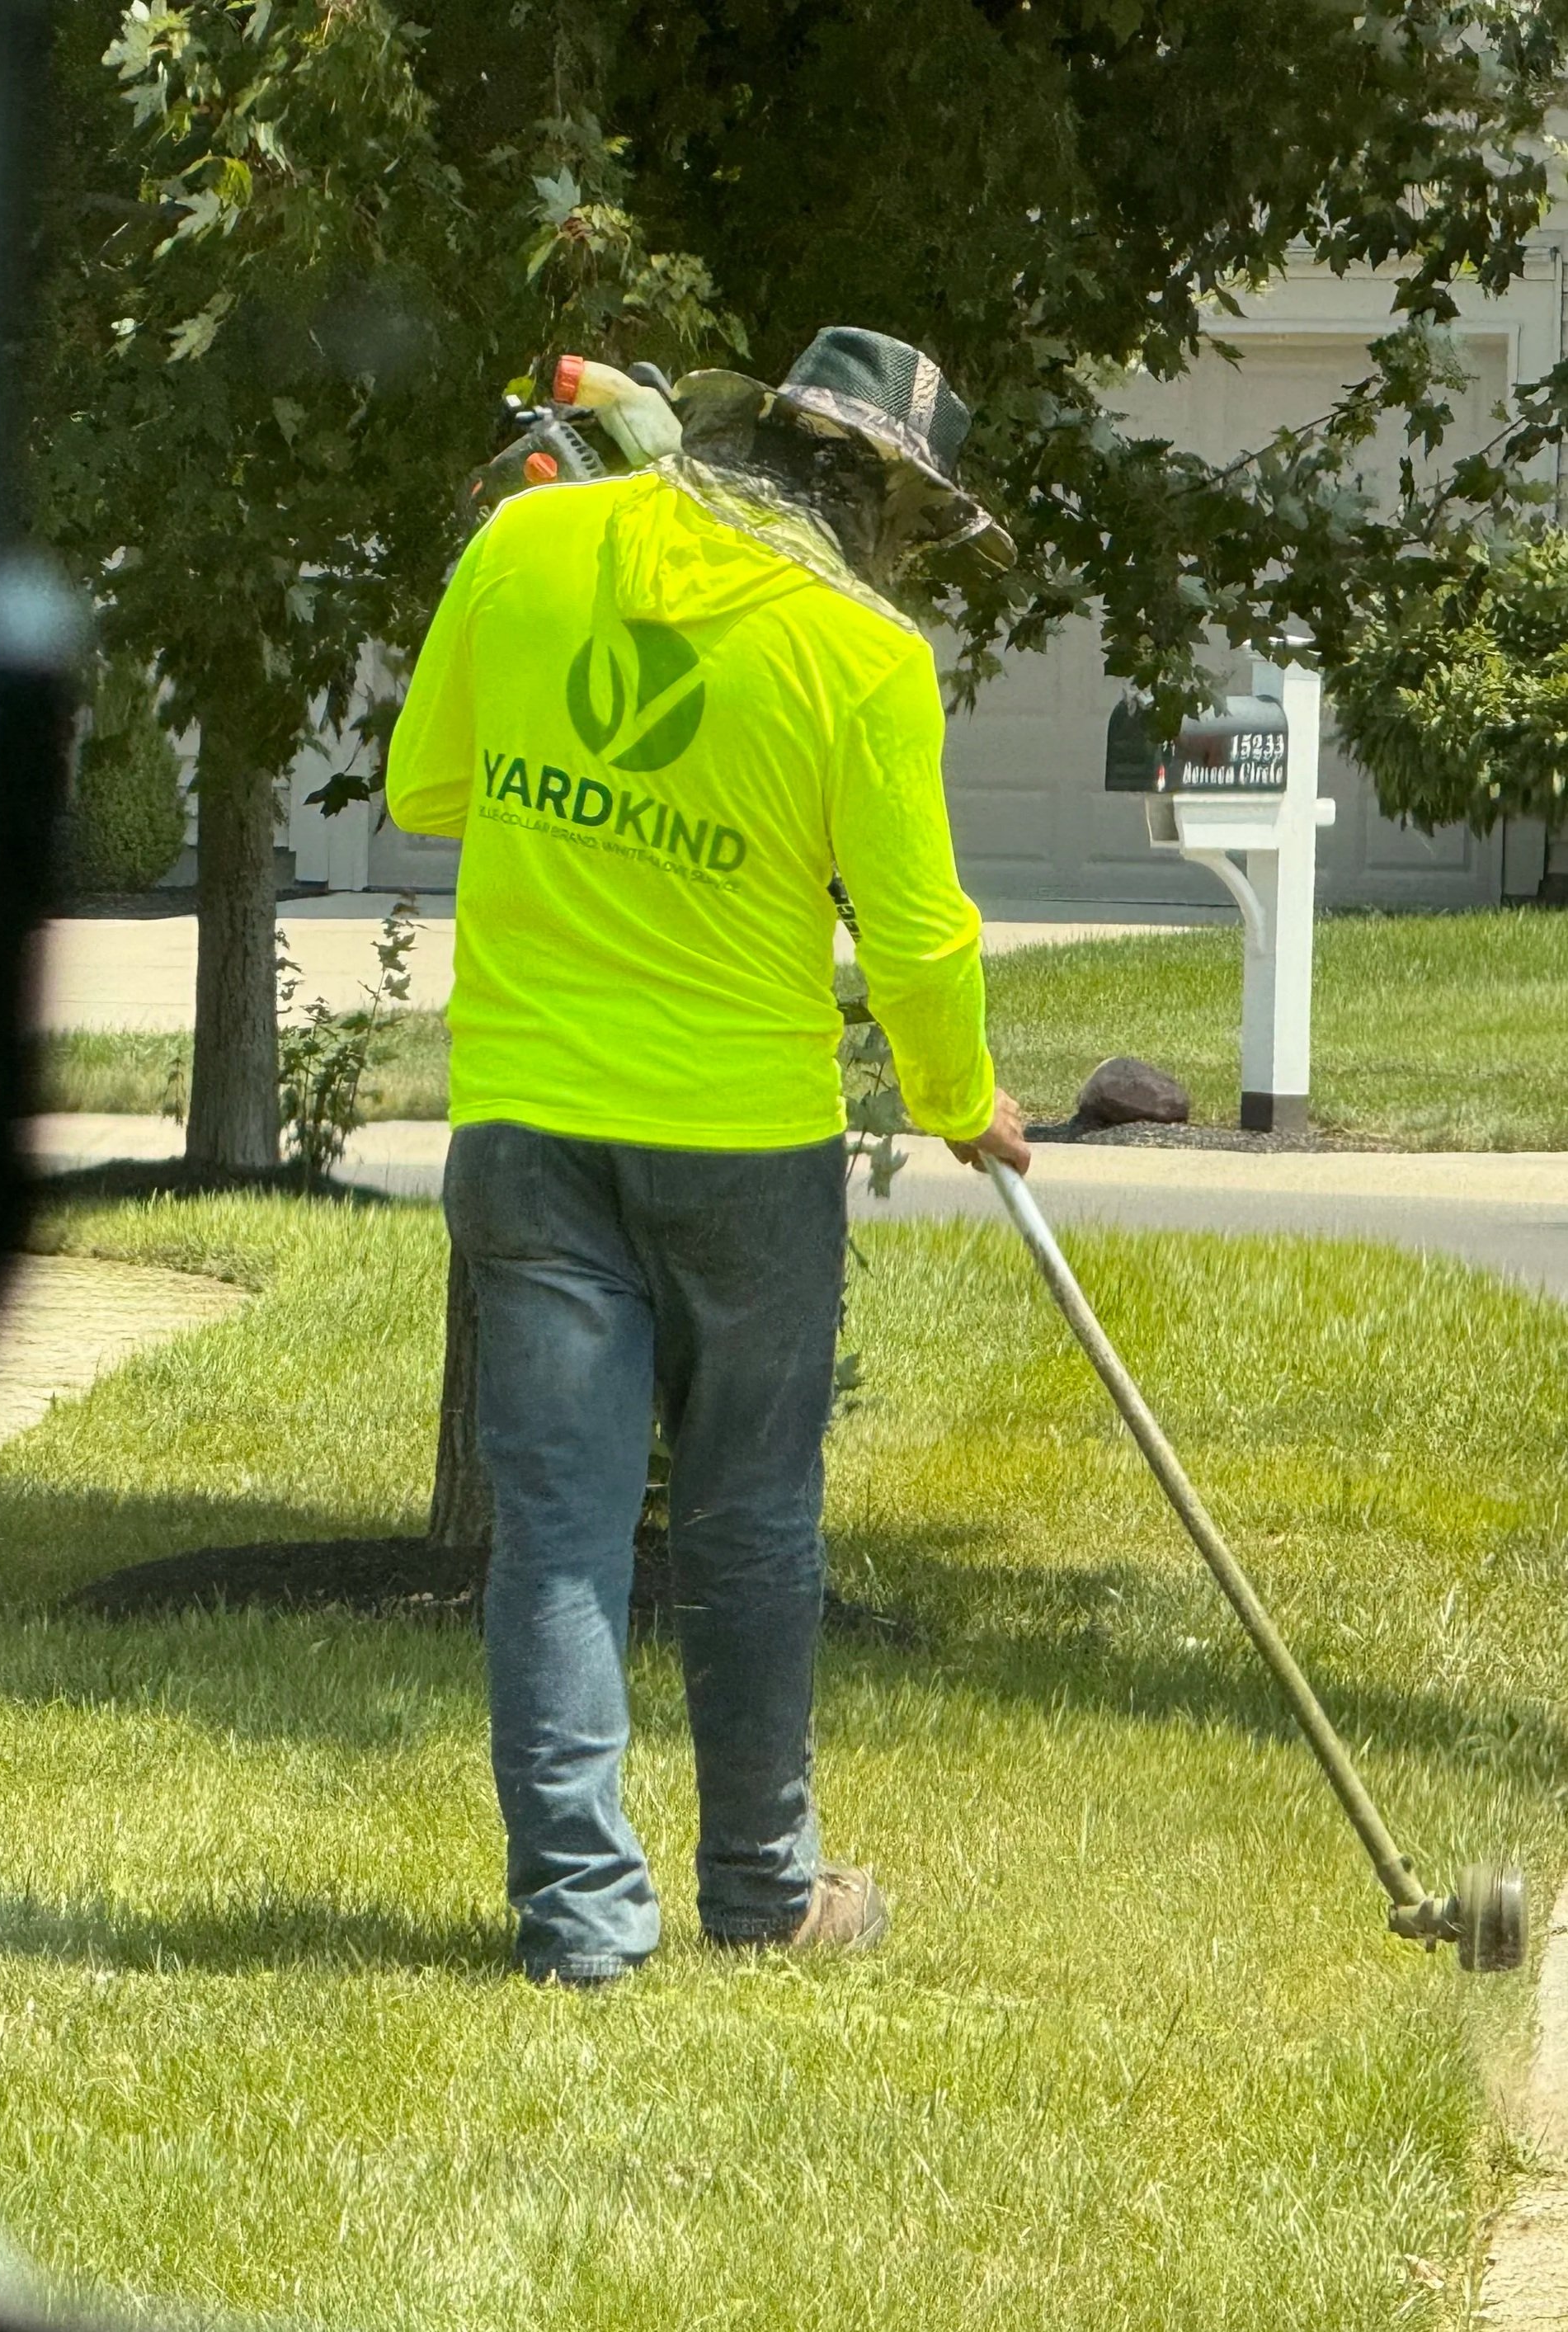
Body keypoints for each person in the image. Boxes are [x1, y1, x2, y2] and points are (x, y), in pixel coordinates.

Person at [386, 325, 1031, 1987]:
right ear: (876, 494)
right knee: (746, 1520)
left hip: (528, 1121)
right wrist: (964, 1097)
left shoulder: (528, 541)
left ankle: (583, 1928)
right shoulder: (860, 655)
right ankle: (762, 1888)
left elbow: (430, 785)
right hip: (743, 1143)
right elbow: (917, 940)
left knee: (560, 1531)